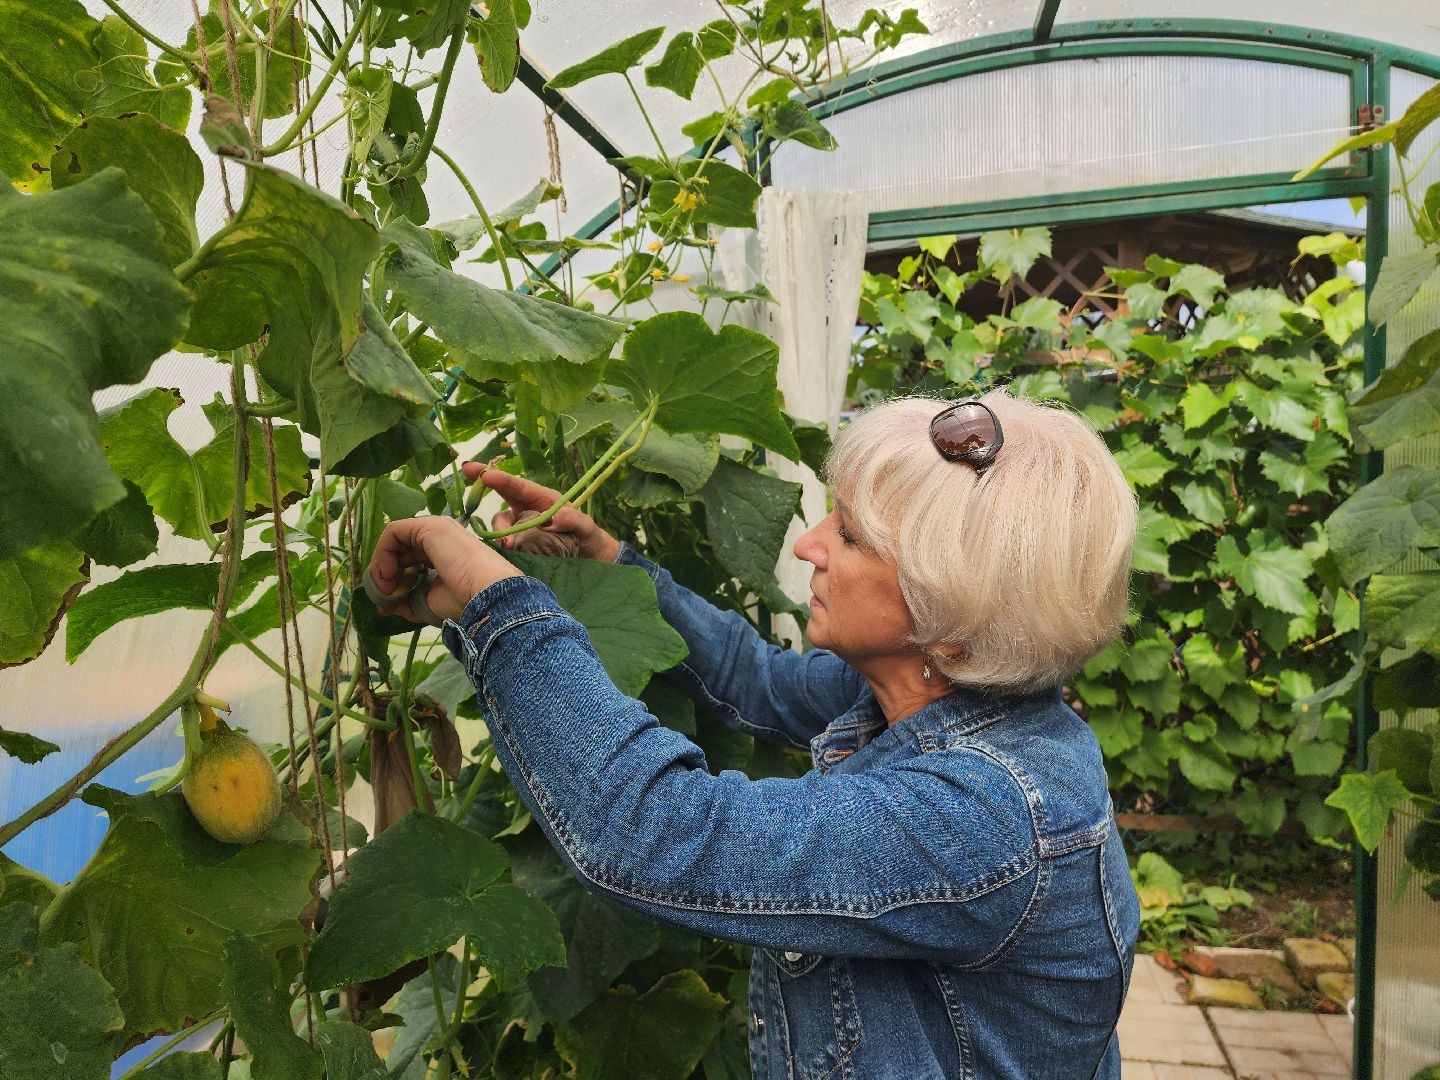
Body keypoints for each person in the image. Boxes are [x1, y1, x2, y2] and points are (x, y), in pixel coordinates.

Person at [369, 389, 1141, 1079]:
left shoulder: (983, 812)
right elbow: (759, 681)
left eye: (852, 536)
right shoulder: (929, 691)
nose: (810, 543)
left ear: (954, 617)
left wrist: (497, 602)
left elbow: (654, 830)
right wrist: (610, 561)